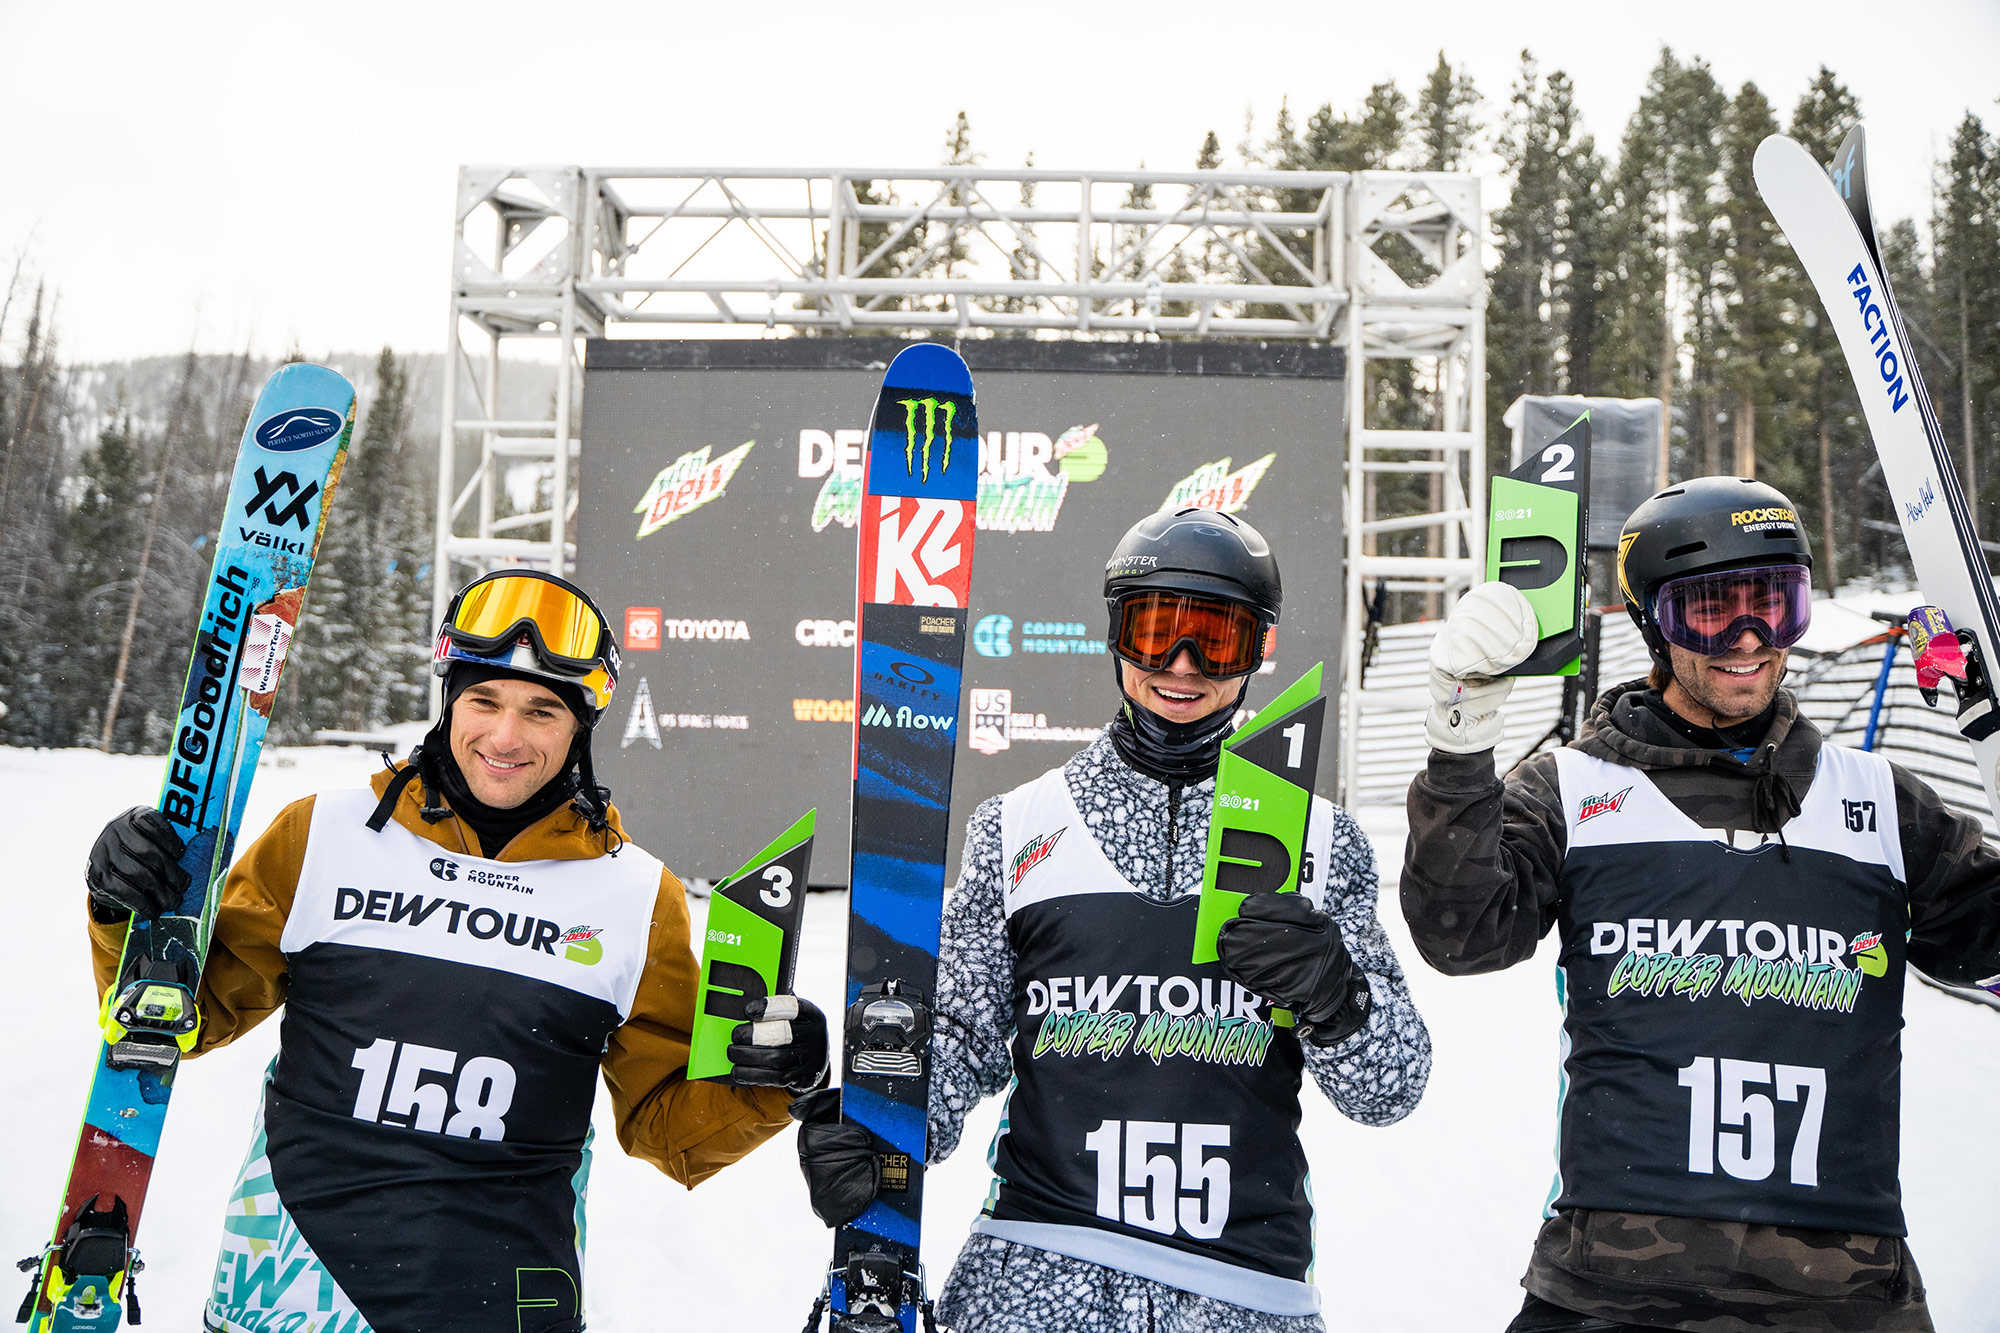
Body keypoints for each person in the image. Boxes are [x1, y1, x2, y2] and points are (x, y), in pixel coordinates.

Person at [84, 570, 827, 1333]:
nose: (506, 737)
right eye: (485, 701)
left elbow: (672, 1131)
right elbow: (183, 1015)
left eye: (541, 710)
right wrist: (123, 907)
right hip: (286, 1294)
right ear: (449, 701)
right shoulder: (322, 836)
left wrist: (771, 1079)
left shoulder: (634, 896)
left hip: (496, 1304)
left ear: (580, 727)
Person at [794, 507, 1432, 1332]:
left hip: (1240, 1292)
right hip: (1036, 1277)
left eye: (1218, 638)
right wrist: (875, 1127)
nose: (1182, 664)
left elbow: (1392, 1087)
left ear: (1259, 650)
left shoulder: (1316, 838)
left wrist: (1338, 997)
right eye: (1155, 629)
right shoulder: (1020, 826)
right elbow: (957, 1040)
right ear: (1116, 635)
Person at [1402, 476, 2000, 1332]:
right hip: (1614, 1289)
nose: (1749, 638)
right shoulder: (1574, 788)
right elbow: (1461, 932)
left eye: (1774, 603)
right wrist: (1459, 743)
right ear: (1654, 623)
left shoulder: (1879, 801)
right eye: (1712, 611)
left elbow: (1981, 940)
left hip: (1843, 1295)